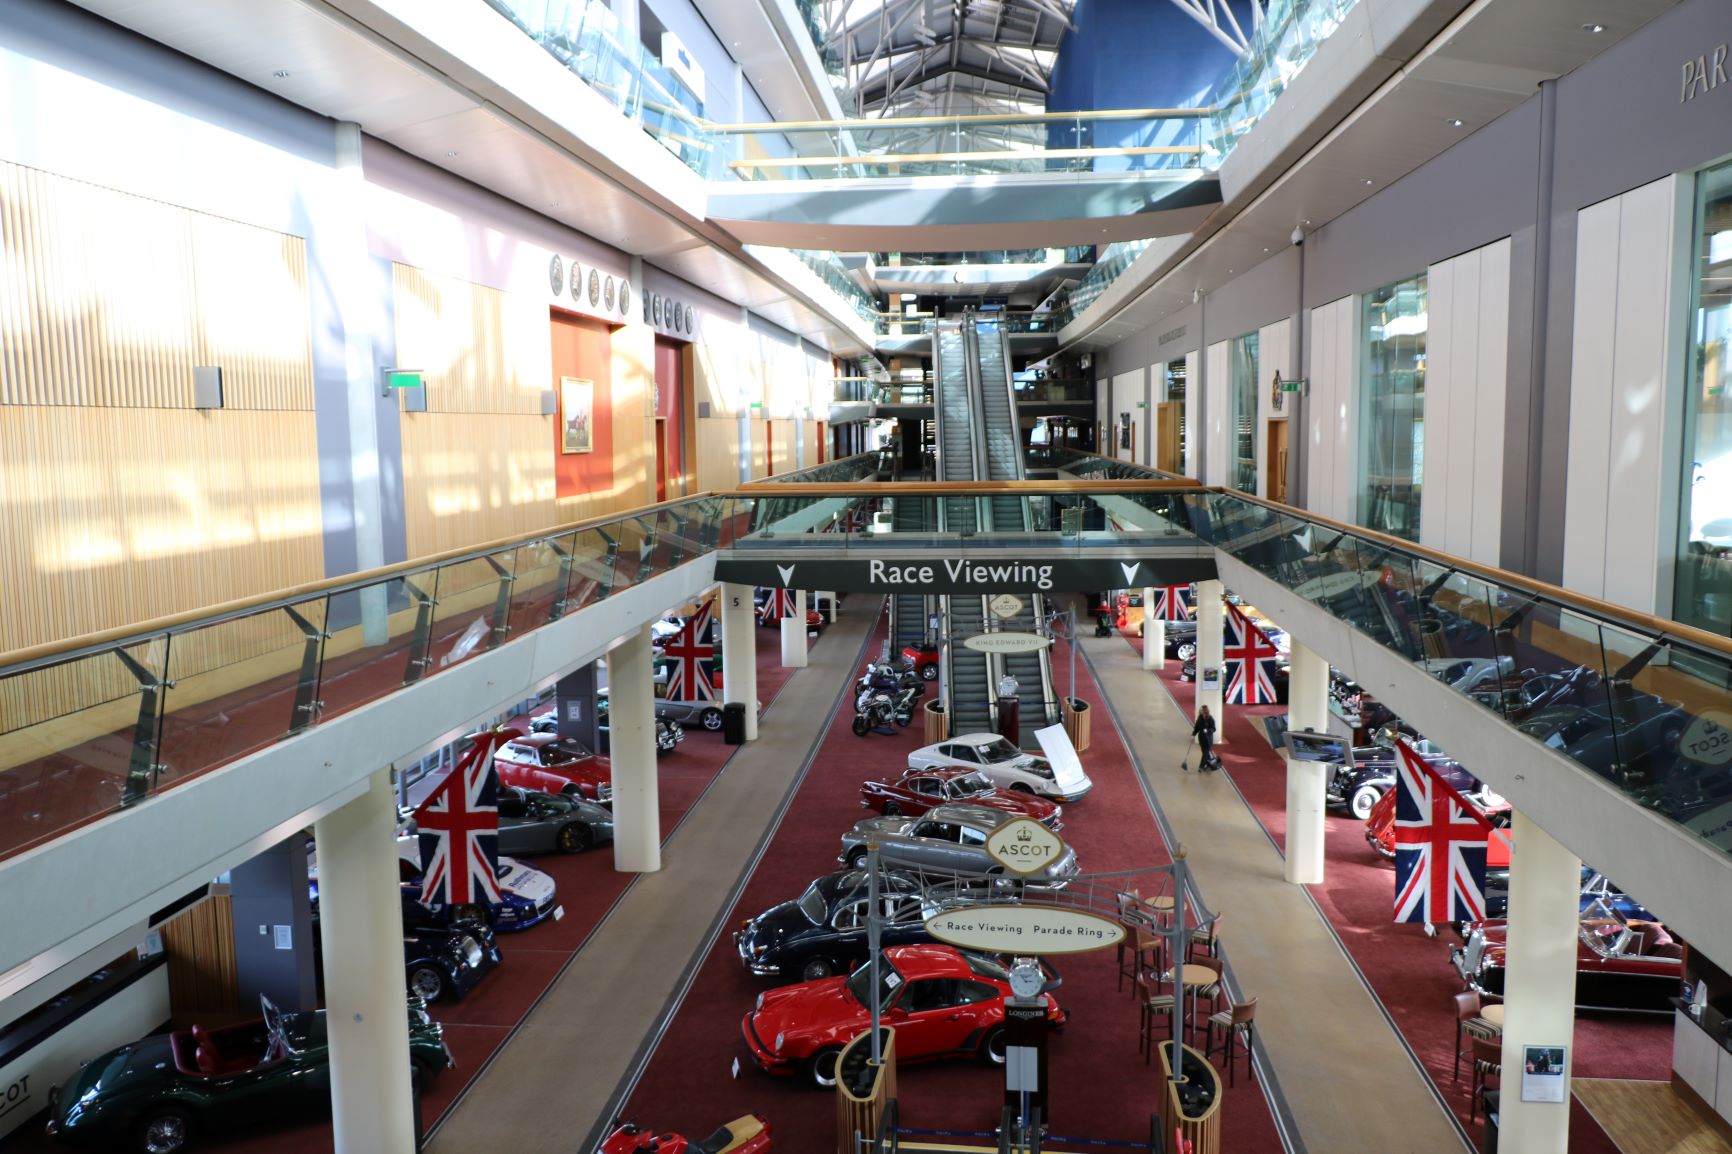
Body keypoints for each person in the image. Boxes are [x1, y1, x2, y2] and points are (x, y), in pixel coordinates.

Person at [1191, 706, 1218, 772]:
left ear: (1205, 711)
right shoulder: (1200, 717)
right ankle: (1210, 764)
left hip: (1208, 739)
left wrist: (1208, 730)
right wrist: (1193, 734)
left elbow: (1214, 729)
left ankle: (1201, 767)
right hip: (1201, 738)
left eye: (1201, 710)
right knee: (1204, 752)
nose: (1200, 711)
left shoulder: (1211, 719)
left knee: (1205, 753)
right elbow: (1197, 727)